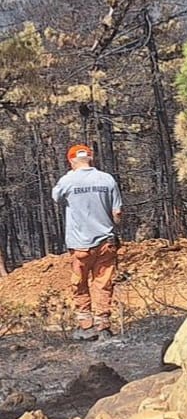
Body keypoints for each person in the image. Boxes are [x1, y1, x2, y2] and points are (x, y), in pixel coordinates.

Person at [51, 144, 123, 340]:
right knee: (103, 283)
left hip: (79, 244)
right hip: (106, 242)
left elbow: (56, 197)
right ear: (91, 158)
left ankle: (85, 326)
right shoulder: (107, 179)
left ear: (71, 160)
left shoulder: (68, 180)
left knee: (80, 284)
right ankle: (103, 326)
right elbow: (117, 213)